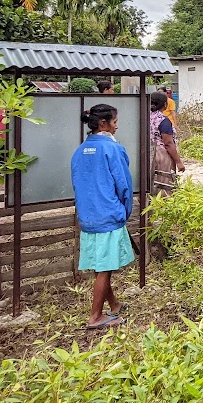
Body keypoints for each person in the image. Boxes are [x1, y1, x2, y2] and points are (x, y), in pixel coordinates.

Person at [70, 104, 133, 330]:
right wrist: (124, 212)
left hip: (88, 217)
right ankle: (95, 317)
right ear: (104, 124)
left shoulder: (79, 151)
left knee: (100, 264)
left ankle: (114, 304)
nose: (117, 127)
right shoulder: (114, 150)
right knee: (105, 267)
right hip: (108, 215)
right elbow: (124, 185)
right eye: (115, 122)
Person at [150, 91, 185, 196]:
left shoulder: (144, 117)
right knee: (165, 185)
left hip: (148, 153)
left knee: (152, 183)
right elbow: (168, 143)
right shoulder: (163, 121)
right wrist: (178, 162)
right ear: (165, 105)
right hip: (162, 156)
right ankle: (163, 208)